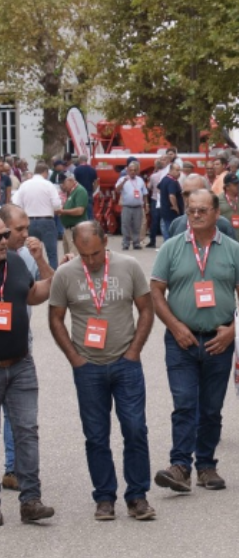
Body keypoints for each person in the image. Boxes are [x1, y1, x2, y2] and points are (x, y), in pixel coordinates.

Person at [48, 221, 156, 521]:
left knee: (135, 429)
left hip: (125, 363)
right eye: (84, 256)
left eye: (96, 254)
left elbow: (146, 309)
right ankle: (104, 497)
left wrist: (134, 352)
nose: (91, 261)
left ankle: (137, 496)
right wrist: (74, 358)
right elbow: (55, 317)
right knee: (96, 435)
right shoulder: (65, 274)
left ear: (105, 242)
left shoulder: (129, 266)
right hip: (88, 367)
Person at [150, 189, 239, 493]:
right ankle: (180, 465)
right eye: (191, 210)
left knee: (210, 408)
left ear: (216, 213)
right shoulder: (171, 248)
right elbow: (156, 292)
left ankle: (206, 466)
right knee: (184, 404)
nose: (195, 215)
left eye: (202, 210)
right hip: (181, 341)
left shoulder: (233, 249)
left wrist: (232, 330)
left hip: (218, 341)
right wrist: (175, 325)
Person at [0, 219, 56, 525]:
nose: (4, 239)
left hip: (21, 365)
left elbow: (34, 294)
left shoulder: (17, 263)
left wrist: (45, 265)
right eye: (1, 235)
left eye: (5, 234)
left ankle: (31, 501)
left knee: (27, 433)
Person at [12, 161, 61, 270]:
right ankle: (52, 277)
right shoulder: (48, 185)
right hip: (47, 220)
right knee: (51, 253)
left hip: (30, 221)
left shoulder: (25, 184)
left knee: (30, 252)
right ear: (45, 172)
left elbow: (15, 203)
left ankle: (32, 274)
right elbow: (57, 205)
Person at [168, 175, 237, 240]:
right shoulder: (176, 225)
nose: (190, 198)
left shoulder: (223, 226)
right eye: (186, 194)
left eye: (196, 193)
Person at [115, 161, 148, 251]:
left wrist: (146, 204)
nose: (133, 172)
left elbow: (144, 193)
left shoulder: (140, 180)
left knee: (137, 226)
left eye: (135, 170)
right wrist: (124, 182)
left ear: (137, 171)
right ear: (128, 170)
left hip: (138, 206)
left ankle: (136, 243)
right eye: (131, 170)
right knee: (125, 225)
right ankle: (125, 243)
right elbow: (117, 189)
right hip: (127, 206)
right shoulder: (123, 179)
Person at [57, 171, 88, 258]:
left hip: (75, 228)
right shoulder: (70, 192)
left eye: (63, 183)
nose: (62, 186)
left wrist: (63, 212)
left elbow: (80, 211)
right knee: (67, 256)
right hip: (68, 229)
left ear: (70, 180)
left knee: (73, 256)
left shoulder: (80, 191)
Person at [218, 173, 239, 243]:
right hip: (225, 240)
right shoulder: (218, 200)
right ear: (227, 187)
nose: (238, 186)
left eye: (238, 183)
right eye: (235, 184)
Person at [158, 163, 183, 241]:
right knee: (171, 233)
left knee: (166, 231)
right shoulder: (172, 181)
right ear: (171, 170)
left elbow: (159, 188)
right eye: (177, 170)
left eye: (179, 170)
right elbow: (172, 195)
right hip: (171, 213)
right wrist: (176, 207)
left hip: (165, 210)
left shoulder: (164, 179)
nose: (179, 172)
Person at [73, 155, 98, 223]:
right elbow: (95, 183)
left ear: (80, 160)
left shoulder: (76, 170)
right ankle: (90, 226)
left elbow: (74, 182)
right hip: (89, 193)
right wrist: (93, 190)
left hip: (79, 194)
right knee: (89, 211)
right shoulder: (93, 170)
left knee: (80, 211)